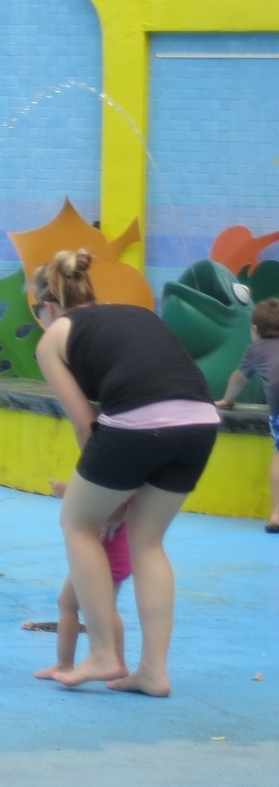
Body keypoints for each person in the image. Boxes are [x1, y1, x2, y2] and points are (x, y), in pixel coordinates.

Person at [33, 247, 218, 696]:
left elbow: (85, 424)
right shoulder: (135, 313)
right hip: (200, 421)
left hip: (138, 422)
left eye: (36, 313)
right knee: (148, 541)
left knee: (78, 523)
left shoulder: (54, 336)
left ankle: (102, 653)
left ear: (48, 307)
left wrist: (100, 491)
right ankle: (153, 671)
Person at [34, 478, 132, 683]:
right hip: (109, 551)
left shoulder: (119, 485)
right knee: (78, 604)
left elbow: (99, 505)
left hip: (107, 554)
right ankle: (108, 662)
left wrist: (64, 491)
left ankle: (73, 663)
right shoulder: (124, 484)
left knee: (81, 605)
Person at [214, 296, 279, 532]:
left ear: (255, 329)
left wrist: (227, 399)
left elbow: (237, 378)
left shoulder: (255, 350)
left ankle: (277, 514)